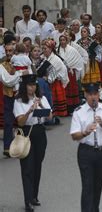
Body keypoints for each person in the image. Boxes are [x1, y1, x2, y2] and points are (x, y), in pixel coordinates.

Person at [70, 83, 102, 212]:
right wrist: (85, 132)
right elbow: (74, 136)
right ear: (85, 95)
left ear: (98, 95)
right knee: (87, 186)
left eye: (95, 94)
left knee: (98, 185)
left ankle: (95, 209)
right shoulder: (79, 112)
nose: (93, 97)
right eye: (90, 95)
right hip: (86, 152)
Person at [13, 74, 52, 212]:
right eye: (30, 85)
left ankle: (34, 196)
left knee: (37, 166)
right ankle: (27, 200)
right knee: (27, 168)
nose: (32, 87)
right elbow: (20, 122)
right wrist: (30, 110)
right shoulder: (19, 101)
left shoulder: (42, 98)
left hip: (39, 133)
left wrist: (40, 104)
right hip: (26, 133)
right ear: (25, 86)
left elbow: (50, 117)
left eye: (34, 85)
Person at [2, 42, 28, 158]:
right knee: (8, 122)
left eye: (10, 51)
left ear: (15, 52)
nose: (8, 53)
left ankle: (23, 146)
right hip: (8, 96)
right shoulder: (2, 66)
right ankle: (7, 147)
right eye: (6, 51)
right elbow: (8, 81)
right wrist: (20, 73)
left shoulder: (21, 61)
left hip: (20, 95)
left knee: (22, 120)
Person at [57, 35, 83, 115]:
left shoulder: (72, 50)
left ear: (66, 41)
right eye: (60, 40)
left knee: (71, 90)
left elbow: (78, 59)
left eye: (63, 40)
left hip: (71, 73)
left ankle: (73, 108)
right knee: (64, 90)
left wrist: (72, 67)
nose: (62, 42)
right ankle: (66, 109)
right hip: (62, 73)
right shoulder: (57, 51)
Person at [42, 39, 69, 117]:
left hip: (56, 81)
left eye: (45, 48)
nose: (43, 50)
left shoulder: (55, 59)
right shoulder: (45, 57)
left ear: (50, 49)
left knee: (55, 98)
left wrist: (47, 79)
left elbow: (53, 75)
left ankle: (56, 114)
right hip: (50, 80)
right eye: (43, 48)